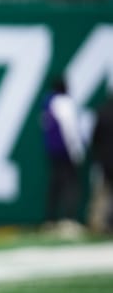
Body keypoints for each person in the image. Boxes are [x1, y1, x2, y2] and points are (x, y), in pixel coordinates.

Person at [39, 76, 85, 235]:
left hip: (53, 150)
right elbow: (70, 129)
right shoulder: (64, 103)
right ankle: (67, 219)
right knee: (70, 183)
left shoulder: (48, 102)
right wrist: (76, 150)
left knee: (55, 183)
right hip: (66, 151)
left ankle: (50, 219)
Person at [90, 93, 113, 234]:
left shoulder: (102, 113)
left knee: (103, 192)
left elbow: (95, 137)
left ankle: (98, 224)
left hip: (105, 159)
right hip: (106, 158)